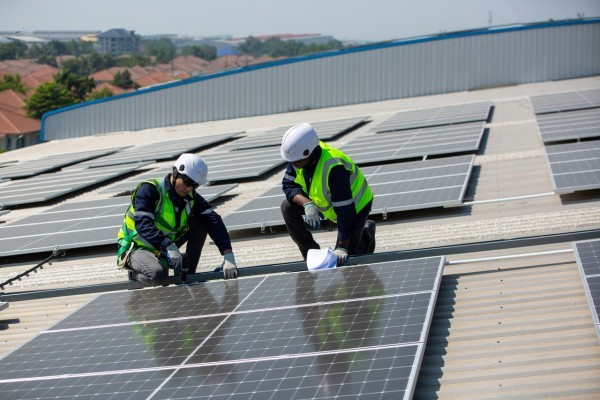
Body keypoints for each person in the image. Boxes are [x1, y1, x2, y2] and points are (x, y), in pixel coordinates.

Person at [117, 153, 238, 285]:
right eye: (187, 182)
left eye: (195, 185)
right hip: (138, 246)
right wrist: (168, 244)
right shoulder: (149, 190)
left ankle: (188, 274)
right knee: (159, 275)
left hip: (165, 245)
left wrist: (228, 254)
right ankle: (134, 275)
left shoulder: (191, 197)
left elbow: (213, 221)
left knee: (201, 222)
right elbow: (143, 225)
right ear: (175, 173)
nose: (189, 188)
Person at [280, 122, 376, 266]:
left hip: (355, 206)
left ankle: (366, 233)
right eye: (291, 161)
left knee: (347, 259)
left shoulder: (334, 168)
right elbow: (288, 185)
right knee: (287, 207)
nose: (294, 164)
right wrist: (307, 203)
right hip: (326, 201)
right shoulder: (297, 158)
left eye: (297, 161)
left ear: (310, 152)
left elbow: (345, 211)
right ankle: (310, 253)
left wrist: (342, 246)